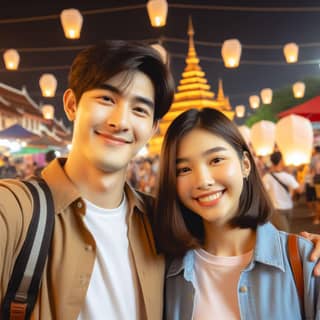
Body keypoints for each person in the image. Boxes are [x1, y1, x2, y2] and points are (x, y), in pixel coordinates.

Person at [0, 40, 174, 320]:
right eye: (107, 99)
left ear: (153, 129)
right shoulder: (19, 209)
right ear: (71, 104)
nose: (121, 122)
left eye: (139, 110)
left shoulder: (160, 221)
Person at [153, 108, 320, 319]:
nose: (203, 180)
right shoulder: (165, 272)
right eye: (184, 169)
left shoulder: (306, 259)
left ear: (245, 165)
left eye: (216, 160)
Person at [262, 151, 303, 231]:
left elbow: (263, 193)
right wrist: (303, 178)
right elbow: (300, 190)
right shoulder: (288, 176)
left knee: (283, 232)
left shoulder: (267, 177)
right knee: (285, 233)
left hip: (277, 209)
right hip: (284, 208)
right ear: (281, 161)